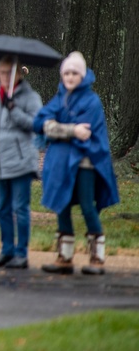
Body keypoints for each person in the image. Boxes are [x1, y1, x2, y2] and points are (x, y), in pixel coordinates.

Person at [33, 52, 120, 275]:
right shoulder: (60, 97)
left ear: (82, 76)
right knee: (61, 205)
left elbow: (87, 132)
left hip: (86, 164)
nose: (70, 77)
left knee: (87, 206)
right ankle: (65, 257)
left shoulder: (92, 101)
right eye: (66, 73)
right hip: (61, 164)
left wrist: (56, 129)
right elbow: (42, 122)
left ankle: (97, 257)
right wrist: (69, 130)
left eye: (74, 73)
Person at [0, 56, 43, 270]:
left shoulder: (30, 97)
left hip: (21, 160)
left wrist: (14, 109)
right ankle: (6, 250)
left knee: (20, 208)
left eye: (9, 73)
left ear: (18, 74)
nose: (5, 77)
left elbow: (36, 125)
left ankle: (21, 253)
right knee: (4, 209)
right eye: (2, 73)